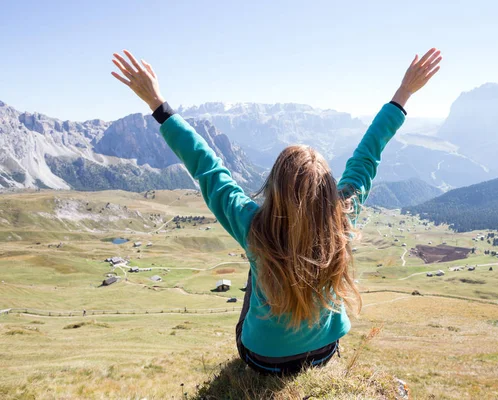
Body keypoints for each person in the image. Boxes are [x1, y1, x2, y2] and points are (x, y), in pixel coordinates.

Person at [111, 48, 442, 375]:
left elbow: (207, 168)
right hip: (324, 352)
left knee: (258, 269)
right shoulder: (342, 217)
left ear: (275, 186)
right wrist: (404, 93)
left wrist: (158, 104)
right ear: (328, 191)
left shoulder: (252, 225)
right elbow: (368, 155)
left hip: (263, 360)